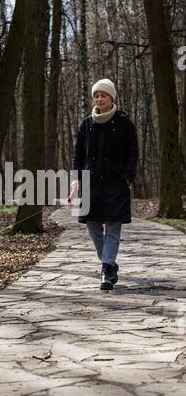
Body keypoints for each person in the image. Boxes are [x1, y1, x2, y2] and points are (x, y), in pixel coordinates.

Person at [71, 78, 138, 291]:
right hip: (90, 182)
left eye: (104, 95)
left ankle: (106, 269)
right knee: (92, 226)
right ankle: (108, 262)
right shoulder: (86, 124)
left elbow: (132, 151)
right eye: (96, 95)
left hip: (115, 183)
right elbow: (78, 154)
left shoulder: (124, 123)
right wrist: (76, 180)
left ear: (112, 97)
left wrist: (127, 176)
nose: (100, 99)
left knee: (112, 226)